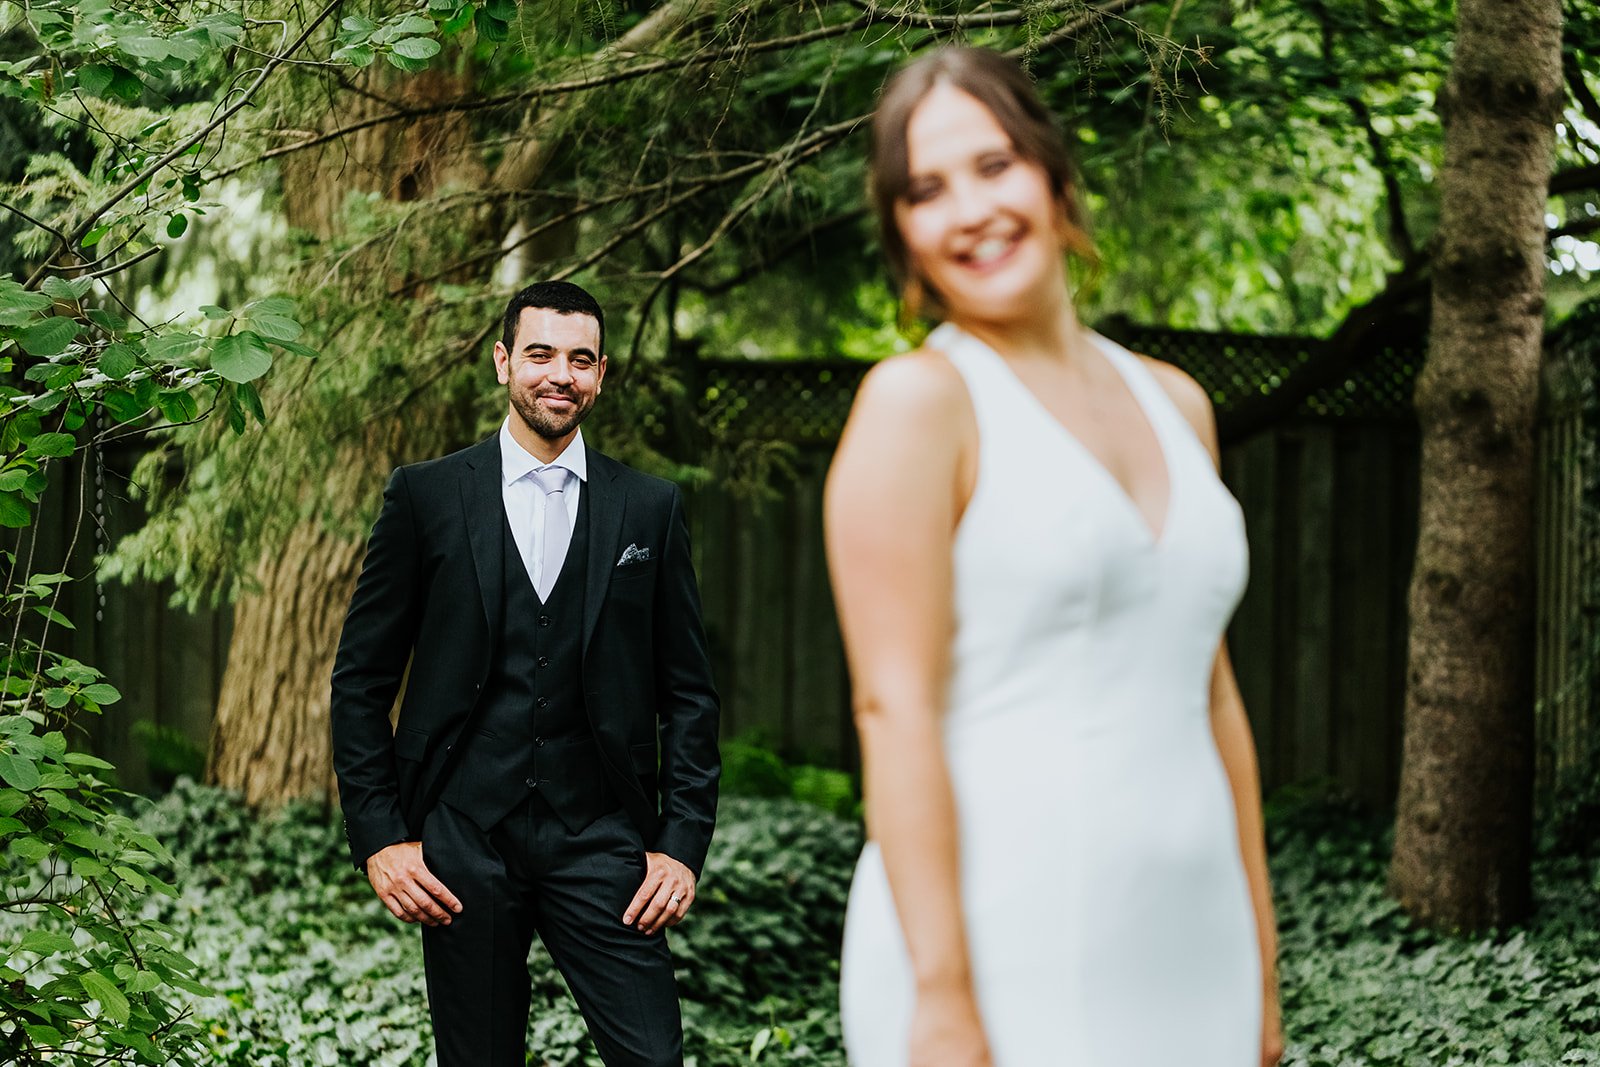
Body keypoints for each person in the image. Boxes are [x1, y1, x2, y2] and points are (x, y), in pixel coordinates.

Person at [824, 47, 1282, 1067]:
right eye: (925, 190)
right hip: (1002, 943)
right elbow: (889, 710)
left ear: (1052, 171)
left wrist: (1257, 962)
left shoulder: (1177, 403)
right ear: (902, 232)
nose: (970, 211)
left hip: (1188, 939)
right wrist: (942, 1001)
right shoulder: (920, 405)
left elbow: (1210, 696)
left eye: (994, 166)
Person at [329, 280, 721, 1067]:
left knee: (653, 1057)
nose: (560, 374)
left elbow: (688, 692)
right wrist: (382, 838)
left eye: (580, 359)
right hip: (464, 838)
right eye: (540, 353)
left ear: (601, 374)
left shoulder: (649, 508)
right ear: (504, 360)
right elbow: (361, 678)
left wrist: (679, 844)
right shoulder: (427, 496)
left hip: (601, 835)